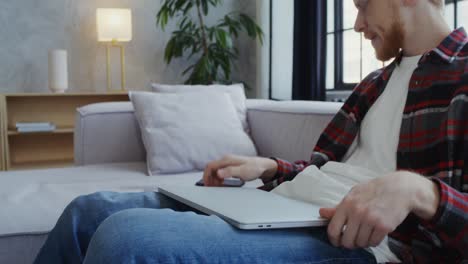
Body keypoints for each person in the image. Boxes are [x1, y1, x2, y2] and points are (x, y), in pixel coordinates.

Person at [34, 0, 467, 263]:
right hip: (280, 207)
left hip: (353, 242)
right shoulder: (375, 83)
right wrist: (270, 167)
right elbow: (329, 171)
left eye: (361, 5)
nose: (355, 25)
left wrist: (419, 193)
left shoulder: (461, 74)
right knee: (87, 212)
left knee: (124, 239)